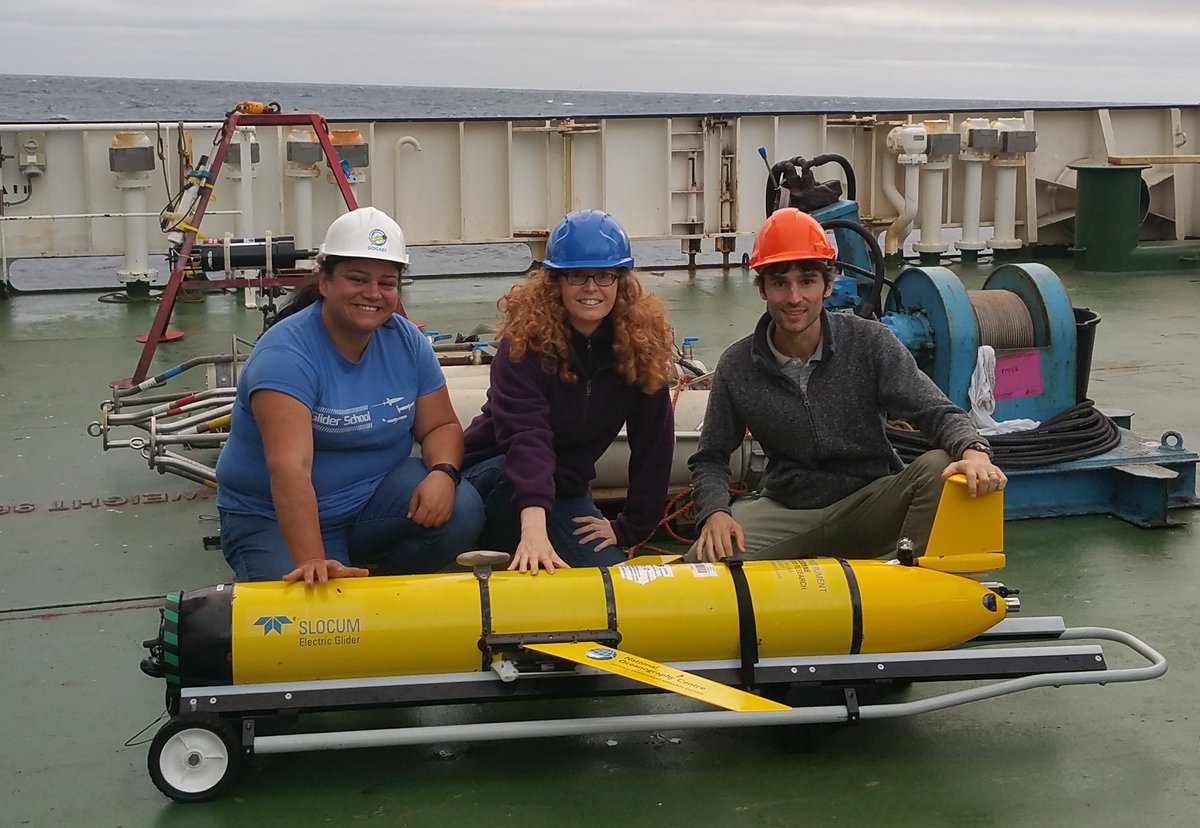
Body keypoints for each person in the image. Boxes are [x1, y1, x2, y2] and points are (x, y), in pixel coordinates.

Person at [688, 208, 1007, 563]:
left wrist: (974, 451)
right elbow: (711, 458)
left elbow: (936, 411)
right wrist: (715, 511)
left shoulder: (869, 343)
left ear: (827, 285)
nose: (794, 297)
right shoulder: (738, 365)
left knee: (938, 467)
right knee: (703, 564)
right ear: (763, 289)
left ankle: (912, 578)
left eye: (807, 281)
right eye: (780, 282)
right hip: (789, 510)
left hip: (870, 501)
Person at [215, 207, 484, 584]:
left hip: (367, 504)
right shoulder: (285, 357)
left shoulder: (406, 341)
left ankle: (380, 587)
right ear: (325, 281)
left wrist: (443, 473)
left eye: (387, 283)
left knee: (463, 505)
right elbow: (289, 468)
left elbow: (439, 424)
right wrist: (311, 559)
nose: (372, 294)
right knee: (306, 617)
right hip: (270, 516)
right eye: (357, 279)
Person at [461, 209, 676, 574]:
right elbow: (526, 439)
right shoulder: (523, 347)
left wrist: (630, 527)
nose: (591, 288)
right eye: (577, 275)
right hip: (497, 475)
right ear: (555, 282)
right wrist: (534, 532)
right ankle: (505, 542)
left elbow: (654, 442)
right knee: (511, 486)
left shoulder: (638, 349)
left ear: (620, 282)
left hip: (565, 490)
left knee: (607, 573)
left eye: (604, 275)